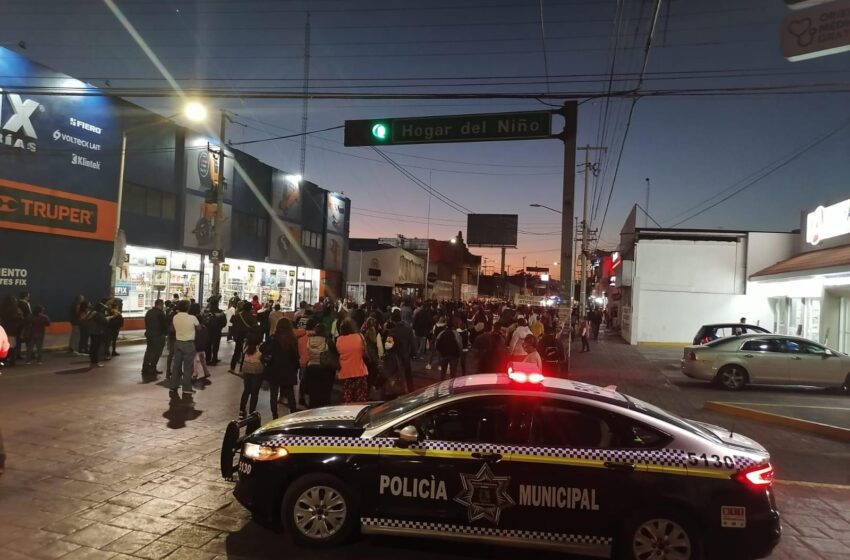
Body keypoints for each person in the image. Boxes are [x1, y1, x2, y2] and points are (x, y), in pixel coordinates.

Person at [262, 319, 301, 418]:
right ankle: (293, 414)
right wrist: (296, 369)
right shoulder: (292, 339)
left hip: (274, 370)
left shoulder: (273, 338)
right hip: (288, 371)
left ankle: (275, 415)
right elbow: (296, 356)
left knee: (273, 395)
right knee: (290, 394)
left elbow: (262, 348)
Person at [170, 300, 199, 398]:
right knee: (187, 367)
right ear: (188, 308)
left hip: (178, 343)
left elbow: (174, 329)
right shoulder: (192, 318)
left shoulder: (175, 317)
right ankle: (186, 388)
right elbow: (198, 328)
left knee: (176, 366)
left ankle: (173, 385)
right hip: (189, 344)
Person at [335, 319, 369, 403]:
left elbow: (338, 353)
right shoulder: (360, 336)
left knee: (348, 398)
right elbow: (365, 352)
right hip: (359, 371)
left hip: (345, 373)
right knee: (360, 398)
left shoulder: (339, 340)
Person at [304, 323, 334, 408]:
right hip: (324, 368)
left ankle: (312, 409)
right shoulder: (327, 340)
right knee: (324, 393)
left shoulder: (309, 340)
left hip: (311, 367)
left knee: (313, 393)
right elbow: (334, 352)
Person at [238, 331, 265, 417]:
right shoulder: (260, 346)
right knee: (254, 392)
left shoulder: (245, 345)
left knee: (246, 390)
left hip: (246, 369)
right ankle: (252, 411)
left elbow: (243, 354)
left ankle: (241, 411)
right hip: (257, 370)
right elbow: (263, 357)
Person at [389, 309, 415, 391]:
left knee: (397, 375)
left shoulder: (392, 331)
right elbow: (412, 342)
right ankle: (411, 390)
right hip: (406, 354)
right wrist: (413, 352)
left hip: (396, 356)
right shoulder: (408, 328)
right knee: (408, 374)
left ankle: (400, 391)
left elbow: (388, 346)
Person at [229, 302, 258, 374]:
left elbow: (231, 321)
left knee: (236, 351)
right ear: (250, 308)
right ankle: (241, 369)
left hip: (238, 336)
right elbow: (255, 326)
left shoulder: (238, 315)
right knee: (244, 353)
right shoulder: (252, 316)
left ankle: (232, 368)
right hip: (247, 337)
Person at [143, 299, 167, 375]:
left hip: (149, 334)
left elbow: (146, 323)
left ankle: (145, 368)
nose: (163, 306)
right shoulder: (160, 314)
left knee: (148, 351)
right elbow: (164, 325)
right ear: (160, 305)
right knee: (156, 353)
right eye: (162, 305)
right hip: (158, 335)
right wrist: (165, 333)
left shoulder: (149, 312)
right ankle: (152, 368)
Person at [85, 301, 109, 368]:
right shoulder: (97, 314)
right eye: (102, 308)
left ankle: (92, 361)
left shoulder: (92, 313)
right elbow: (104, 321)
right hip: (97, 332)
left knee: (93, 347)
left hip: (92, 332)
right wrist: (107, 318)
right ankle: (95, 362)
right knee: (96, 348)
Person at [189, 303, 210, 381]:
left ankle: (195, 372)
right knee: (202, 357)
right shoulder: (201, 317)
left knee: (194, 357)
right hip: (201, 340)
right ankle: (206, 371)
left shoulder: (191, 317)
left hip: (194, 340)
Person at [204, 299, 226, 365]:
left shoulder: (206, 312)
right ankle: (214, 359)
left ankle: (207, 359)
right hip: (217, 331)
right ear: (217, 304)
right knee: (216, 346)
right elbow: (224, 323)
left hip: (207, 331)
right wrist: (220, 327)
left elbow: (203, 321)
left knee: (207, 345)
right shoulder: (221, 312)